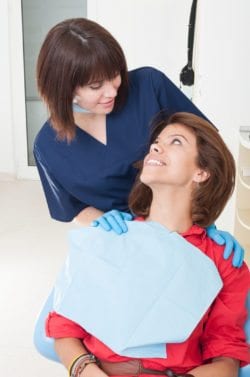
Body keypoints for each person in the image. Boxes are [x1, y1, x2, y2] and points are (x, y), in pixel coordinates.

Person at [45, 112, 249, 377]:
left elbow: (227, 356)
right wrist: (87, 371)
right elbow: (65, 326)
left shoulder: (222, 260)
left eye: (175, 142)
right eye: (156, 141)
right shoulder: (112, 236)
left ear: (201, 172)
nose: (155, 146)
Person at [34, 17, 243, 266]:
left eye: (114, 75)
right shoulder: (47, 147)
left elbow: (209, 151)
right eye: (95, 85)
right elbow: (71, 207)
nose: (112, 91)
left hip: (189, 224)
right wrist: (103, 222)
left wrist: (205, 222)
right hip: (126, 244)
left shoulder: (149, 86)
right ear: (64, 89)